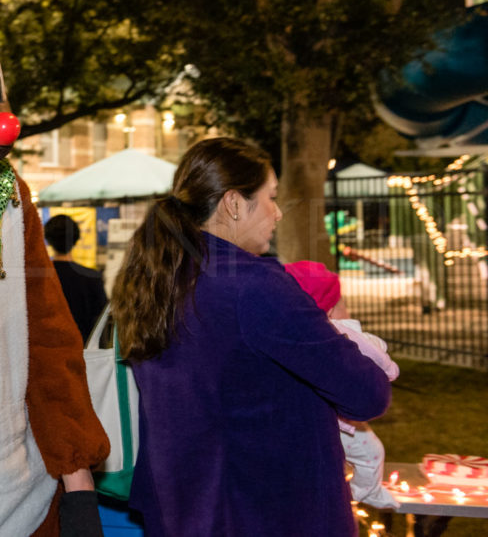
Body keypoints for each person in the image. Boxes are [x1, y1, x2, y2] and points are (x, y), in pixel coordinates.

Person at [110, 136, 392, 536]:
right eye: (270, 197)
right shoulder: (253, 286)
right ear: (233, 203)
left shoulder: (158, 279)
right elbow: (366, 393)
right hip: (261, 512)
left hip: (183, 509)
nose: (277, 213)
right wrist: (341, 335)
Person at [284, 260, 401, 510]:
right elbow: (375, 352)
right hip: (339, 421)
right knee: (372, 454)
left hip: (306, 421)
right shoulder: (339, 332)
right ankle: (361, 493)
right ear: (329, 309)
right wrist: (390, 368)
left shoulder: (288, 333)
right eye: (343, 303)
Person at [44, 214, 108, 343]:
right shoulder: (92, 277)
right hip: (83, 351)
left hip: (49, 350)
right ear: (76, 239)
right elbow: (101, 321)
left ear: (48, 240)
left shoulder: (41, 277)